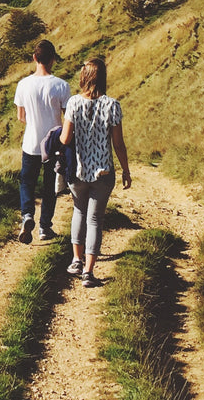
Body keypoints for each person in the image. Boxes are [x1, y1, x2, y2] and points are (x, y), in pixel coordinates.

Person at [60, 57, 130, 287]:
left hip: (78, 170)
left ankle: (76, 260)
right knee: (95, 220)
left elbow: (65, 138)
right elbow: (118, 144)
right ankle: (88, 272)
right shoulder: (113, 105)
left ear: (84, 77)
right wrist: (126, 170)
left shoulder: (73, 103)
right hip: (103, 171)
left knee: (79, 212)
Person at [13, 40, 70, 243]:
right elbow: (68, 118)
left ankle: (27, 215)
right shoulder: (62, 85)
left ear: (34, 58)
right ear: (53, 59)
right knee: (49, 187)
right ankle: (45, 227)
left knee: (27, 182)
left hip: (31, 142)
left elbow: (21, 116)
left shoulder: (23, 84)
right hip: (53, 144)